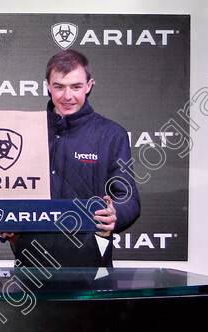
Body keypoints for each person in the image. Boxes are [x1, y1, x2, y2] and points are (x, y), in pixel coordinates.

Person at [11, 49, 141, 267]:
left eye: (76, 87)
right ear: (47, 86)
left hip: (91, 266)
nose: (67, 96)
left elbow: (129, 198)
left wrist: (114, 213)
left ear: (89, 85)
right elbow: (4, 190)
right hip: (31, 265)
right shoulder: (25, 131)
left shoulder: (111, 134)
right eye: (59, 87)